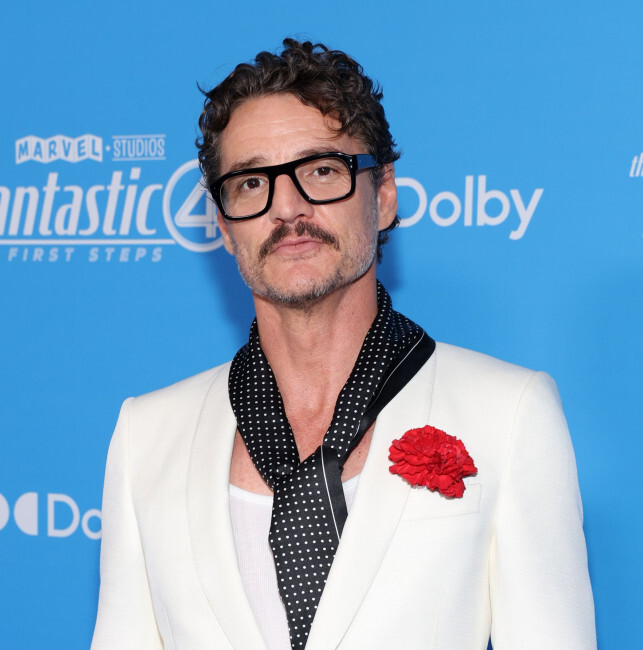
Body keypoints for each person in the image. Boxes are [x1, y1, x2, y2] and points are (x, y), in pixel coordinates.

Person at [91, 39, 596, 650]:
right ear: (223, 224)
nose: (287, 208)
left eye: (322, 171)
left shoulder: (508, 412)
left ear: (382, 195)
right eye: (251, 183)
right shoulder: (146, 436)